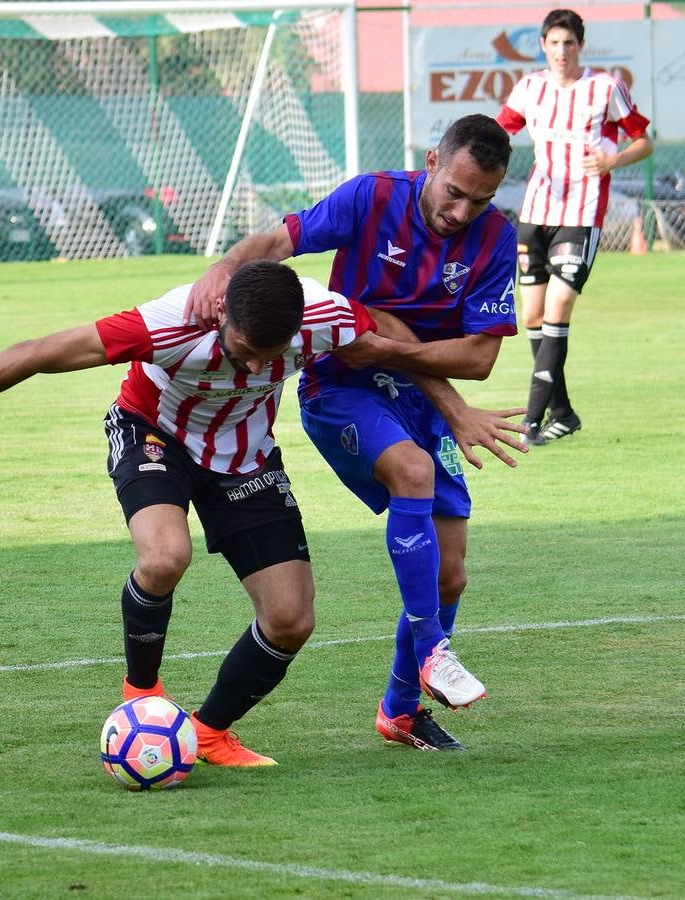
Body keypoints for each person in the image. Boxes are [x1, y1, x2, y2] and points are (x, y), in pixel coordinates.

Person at [0, 261, 524, 766]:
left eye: (274, 353)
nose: (260, 364)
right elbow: (35, 354)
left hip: (245, 457)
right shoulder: (168, 324)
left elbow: (394, 338)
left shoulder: (326, 317)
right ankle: (139, 695)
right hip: (155, 435)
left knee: (291, 620)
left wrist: (453, 407)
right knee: (163, 556)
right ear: (221, 322)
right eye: (246, 352)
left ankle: (207, 732)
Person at [185, 114, 528, 752]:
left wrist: (387, 344)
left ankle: (400, 711)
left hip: (412, 393)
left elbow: (479, 359)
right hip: (340, 385)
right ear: (432, 162)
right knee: (414, 473)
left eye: (479, 200)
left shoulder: (495, 240)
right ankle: (432, 650)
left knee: (450, 576)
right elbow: (281, 242)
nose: (462, 211)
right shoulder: (372, 197)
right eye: (454, 192)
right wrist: (225, 265)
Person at [495, 8, 654, 446]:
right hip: (535, 210)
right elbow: (497, 132)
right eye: (553, 43)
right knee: (532, 316)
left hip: (581, 215)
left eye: (569, 43)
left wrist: (612, 160)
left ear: (580, 46)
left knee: (558, 310)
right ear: (543, 46)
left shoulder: (604, 88)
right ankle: (562, 412)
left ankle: (529, 423)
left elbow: (644, 139)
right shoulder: (530, 89)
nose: (561, 51)